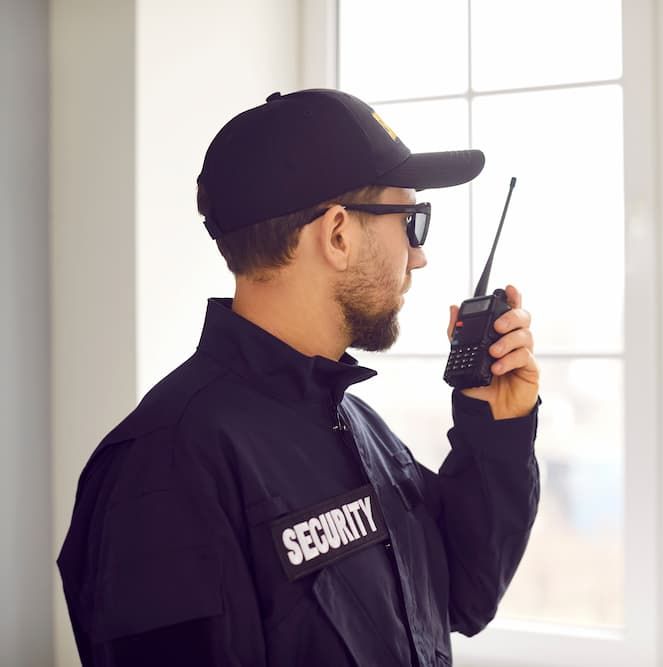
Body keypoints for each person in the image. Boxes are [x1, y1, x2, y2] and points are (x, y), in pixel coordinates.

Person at [57, 88, 542, 667]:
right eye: (411, 222)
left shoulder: (355, 425)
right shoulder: (165, 466)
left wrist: (497, 429)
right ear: (337, 233)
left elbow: (462, 596)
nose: (418, 258)